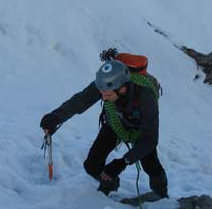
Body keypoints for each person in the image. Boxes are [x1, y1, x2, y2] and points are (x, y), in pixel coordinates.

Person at [39, 60, 168, 197]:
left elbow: (150, 140)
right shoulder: (105, 85)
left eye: (108, 95)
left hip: (142, 128)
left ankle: (161, 195)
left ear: (122, 88)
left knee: (150, 165)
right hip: (115, 121)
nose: (104, 99)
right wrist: (55, 117)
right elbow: (80, 101)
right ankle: (109, 183)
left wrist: (122, 162)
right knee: (92, 165)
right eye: (102, 94)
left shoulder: (145, 96)